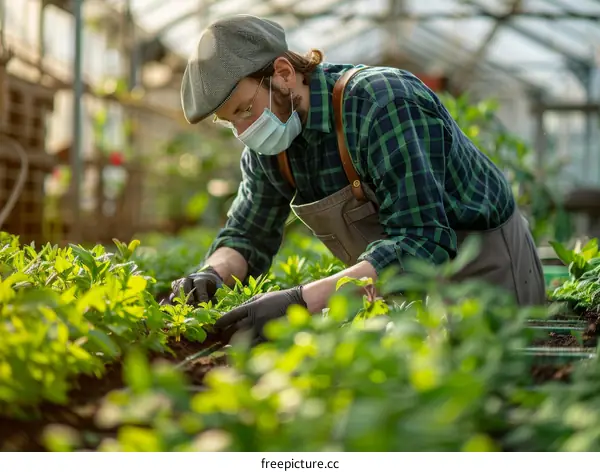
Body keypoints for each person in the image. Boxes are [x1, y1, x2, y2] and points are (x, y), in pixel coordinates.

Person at [171, 14, 546, 345]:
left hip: (483, 261)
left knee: (499, 394)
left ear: (283, 74)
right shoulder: (271, 144)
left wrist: (302, 301)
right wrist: (211, 274)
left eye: (244, 110)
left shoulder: (382, 104)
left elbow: (421, 242)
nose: (243, 131)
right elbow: (247, 235)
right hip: (399, 281)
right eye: (231, 121)